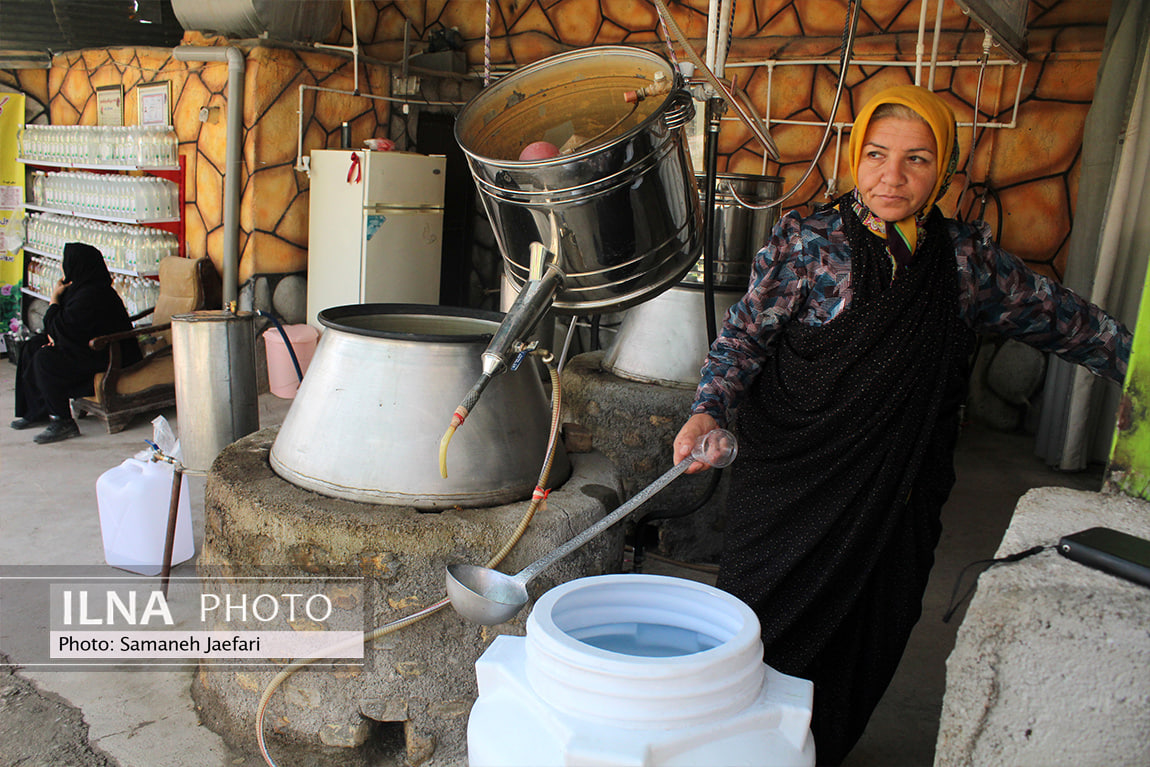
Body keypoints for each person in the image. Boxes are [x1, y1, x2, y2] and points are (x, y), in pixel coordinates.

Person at [672, 85, 1132, 766]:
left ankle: (815, 752)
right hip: (793, 483)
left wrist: (1134, 362)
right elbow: (743, 338)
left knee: (870, 631)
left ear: (942, 169)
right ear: (855, 156)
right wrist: (707, 406)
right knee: (756, 632)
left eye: (917, 159)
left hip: (898, 494)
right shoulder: (809, 241)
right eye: (878, 155)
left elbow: (1063, 318)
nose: (893, 175)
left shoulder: (966, 261)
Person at [12, 242, 142, 444]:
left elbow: (64, 328)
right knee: (32, 346)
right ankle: (36, 410)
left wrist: (54, 299)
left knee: (45, 359)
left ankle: (63, 421)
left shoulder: (94, 295)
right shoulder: (79, 289)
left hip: (110, 353)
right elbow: (62, 328)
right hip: (87, 346)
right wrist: (53, 337)